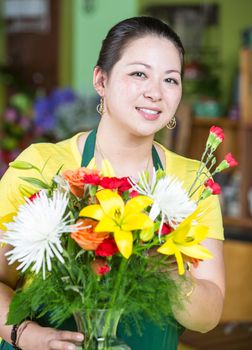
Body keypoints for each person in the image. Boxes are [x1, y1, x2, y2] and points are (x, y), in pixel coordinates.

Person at [0, 16, 225, 350]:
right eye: (138, 73)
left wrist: (156, 264)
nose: (155, 92)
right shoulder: (41, 166)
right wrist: (28, 335)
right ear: (101, 80)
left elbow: (209, 314)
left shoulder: (192, 182)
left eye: (171, 80)